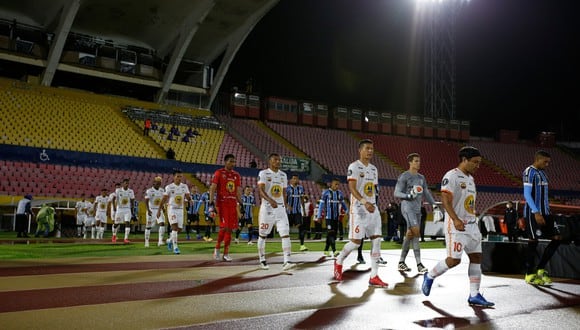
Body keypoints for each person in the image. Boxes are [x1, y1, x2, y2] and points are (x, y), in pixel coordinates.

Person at [421, 146, 494, 307]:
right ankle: (430, 276)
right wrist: (455, 219)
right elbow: (446, 200)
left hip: (471, 225)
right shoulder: (452, 176)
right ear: (464, 160)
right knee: (454, 260)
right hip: (456, 225)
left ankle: (474, 295)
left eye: (479, 163)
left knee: (476, 258)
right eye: (475, 162)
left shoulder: (471, 179)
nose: (477, 166)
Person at [334, 139, 387, 288]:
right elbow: (352, 188)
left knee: (377, 239)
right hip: (359, 209)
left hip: (372, 208)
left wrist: (374, 205)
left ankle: (374, 276)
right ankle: (338, 261)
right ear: (360, 150)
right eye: (367, 148)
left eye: (372, 149)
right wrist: (365, 202)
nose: (370, 151)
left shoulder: (374, 169)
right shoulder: (354, 166)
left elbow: (373, 189)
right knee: (356, 243)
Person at [393, 152, 438, 273]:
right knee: (416, 232)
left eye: (419, 161)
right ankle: (419, 264)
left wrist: (434, 204)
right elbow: (396, 193)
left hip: (417, 209)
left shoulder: (421, 178)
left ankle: (401, 262)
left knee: (410, 234)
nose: (419, 163)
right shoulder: (404, 176)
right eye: (416, 161)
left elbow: (426, 193)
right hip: (407, 207)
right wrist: (408, 195)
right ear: (410, 162)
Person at [523, 150, 559, 286]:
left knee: (557, 238)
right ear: (537, 159)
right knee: (533, 241)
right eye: (545, 161)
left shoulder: (543, 173)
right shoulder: (529, 172)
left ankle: (540, 269)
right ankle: (529, 274)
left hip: (546, 212)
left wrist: (546, 211)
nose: (547, 164)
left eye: (548, 162)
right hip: (534, 213)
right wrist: (536, 212)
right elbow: (526, 194)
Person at [257, 153, 296, 271]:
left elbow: (284, 192)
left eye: (279, 160)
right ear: (270, 161)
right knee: (263, 235)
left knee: (285, 233)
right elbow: (261, 191)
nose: (278, 162)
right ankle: (262, 260)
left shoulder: (283, 175)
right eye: (275, 160)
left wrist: (284, 205)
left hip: (280, 209)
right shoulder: (263, 173)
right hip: (267, 208)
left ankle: (287, 261)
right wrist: (270, 200)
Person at [209, 154, 243, 262]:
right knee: (225, 228)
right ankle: (220, 250)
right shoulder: (219, 173)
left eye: (234, 162)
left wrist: (241, 203)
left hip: (232, 204)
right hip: (222, 204)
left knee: (229, 229)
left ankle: (223, 251)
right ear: (225, 162)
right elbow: (213, 188)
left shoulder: (236, 175)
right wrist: (211, 202)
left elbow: (237, 191)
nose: (233, 164)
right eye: (230, 161)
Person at [158, 170, 192, 255]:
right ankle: (175, 247)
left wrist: (190, 200)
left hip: (180, 209)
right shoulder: (169, 187)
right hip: (172, 209)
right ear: (174, 177)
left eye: (181, 176)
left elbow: (187, 196)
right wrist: (159, 210)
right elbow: (164, 199)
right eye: (177, 176)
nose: (179, 178)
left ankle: (169, 240)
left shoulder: (184, 186)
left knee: (179, 229)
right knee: (174, 227)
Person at [317, 177, 348, 257]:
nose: (337, 186)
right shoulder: (326, 193)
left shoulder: (340, 193)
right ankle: (334, 250)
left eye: (338, 184)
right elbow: (321, 205)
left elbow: (343, 204)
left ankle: (326, 250)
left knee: (332, 235)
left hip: (336, 217)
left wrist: (348, 211)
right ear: (331, 184)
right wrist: (319, 216)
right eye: (335, 184)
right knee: (330, 233)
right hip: (328, 217)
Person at [109, 178, 136, 244]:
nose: (127, 184)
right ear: (123, 184)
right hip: (120, 209)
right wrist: (115, 207)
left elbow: (132, 201)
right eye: (125, 183)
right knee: (116, 224)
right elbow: (113, 199)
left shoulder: (131, 191)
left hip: (127, 209)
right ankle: (114, 235)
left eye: (128, 183)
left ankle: (126, 238)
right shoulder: (118, 190)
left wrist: (132, 211)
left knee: (127, 223)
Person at [286, 174, 307, 251]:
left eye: (297, 179)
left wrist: (304, 210)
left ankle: (302, 245)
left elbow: (302, 199)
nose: (295, 180)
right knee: (286, 229)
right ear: (291, 180)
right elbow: (283, 199)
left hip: (297, 212)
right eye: (294, 178)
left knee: (301, 227)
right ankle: (286, 246)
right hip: (289, 212)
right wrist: (288, 206)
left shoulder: (300, 188)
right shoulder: (287, 189)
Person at [144, 176, 166, 248]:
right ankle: (146, 241)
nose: (159, 184)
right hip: (151, 210)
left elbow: (162, 200)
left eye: (160, 182)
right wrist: (148, 210)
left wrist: (163, 207)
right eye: (157, 182)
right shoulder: (149, 191)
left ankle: (160, 241)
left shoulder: (162, 190)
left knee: (162, 223)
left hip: (159, 210)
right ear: (154, 182)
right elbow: (146, 201)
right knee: (148, 227)